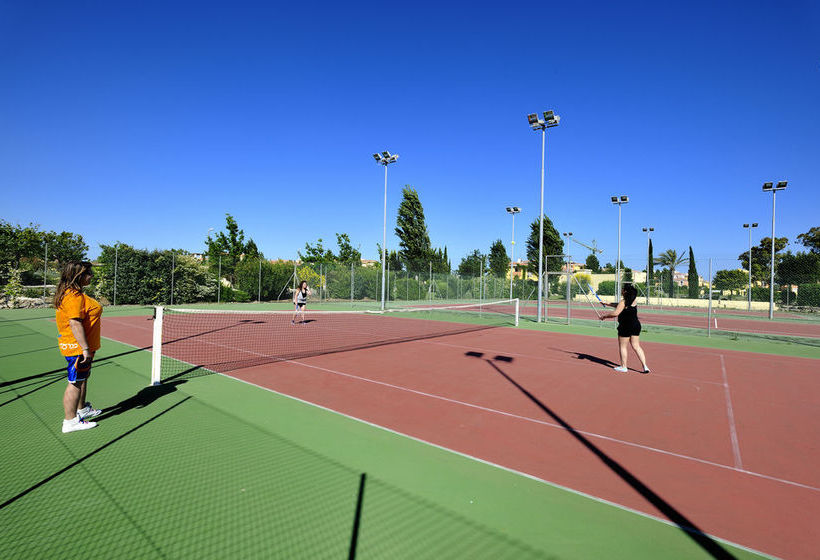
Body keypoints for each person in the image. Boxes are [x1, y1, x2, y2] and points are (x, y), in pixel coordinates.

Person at [54, 261, 103, 433]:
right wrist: (84, 349)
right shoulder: (72, 296)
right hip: (77, 348)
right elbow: (75, 323)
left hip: (82, 346)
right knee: (74, 382)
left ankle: (82, 410)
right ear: (78, 275)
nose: (91, 275)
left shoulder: (74, 293)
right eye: (88, 272)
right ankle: (70, 421)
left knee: (82, 378)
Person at [599, 283, 650, 374]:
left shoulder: (623, 302)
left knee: (623, 346)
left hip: (625, 326)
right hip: (636, 325)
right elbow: (619, 305)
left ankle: (624, 367)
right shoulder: (633, 301)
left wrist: (604, 316)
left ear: (625, 291)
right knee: (636, 346)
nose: (621, 290)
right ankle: (645, 366)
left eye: (622, 289)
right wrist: (607, 303)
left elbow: (615, 313)